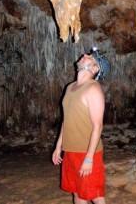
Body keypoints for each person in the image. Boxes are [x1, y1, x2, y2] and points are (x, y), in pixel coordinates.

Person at [52, 47, 111, 204]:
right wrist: (59, 147)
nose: (84, 55)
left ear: (95, 68)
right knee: (77, 192)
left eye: (90, 57)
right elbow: (67, 120)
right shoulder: (70, 87)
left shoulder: (93, 89)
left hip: (87, 152)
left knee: (95, 195)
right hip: (70, 150)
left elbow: (97, 126)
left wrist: (89, 159)